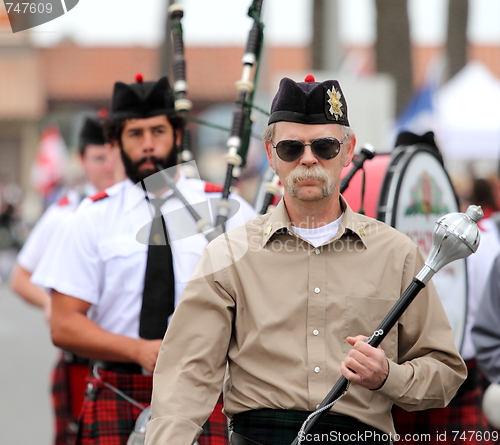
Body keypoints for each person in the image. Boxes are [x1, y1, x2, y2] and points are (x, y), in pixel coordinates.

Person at [146, 75, 467, 445]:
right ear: (270, 155)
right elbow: (186, 376)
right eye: (290, 148)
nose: (309, 158)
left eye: (326, 146)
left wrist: (387, 376)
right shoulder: (228, 255)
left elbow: (445, 372)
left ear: (349, 151)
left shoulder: (397, 254)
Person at [33, 74, 255, 445]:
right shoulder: (92, 217)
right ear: (116, 141)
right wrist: (138, 350)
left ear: (178, 135)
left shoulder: (226, 210)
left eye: (158, 131)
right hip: (118, 386)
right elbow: (63, 324)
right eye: (135, 134)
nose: (149, 145)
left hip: (205, 388)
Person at [10, 115, 120, 445]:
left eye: (113, 155)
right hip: (83, 353)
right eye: (99, 158)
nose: (108, 166)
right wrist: (52, 304)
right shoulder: (67, 212)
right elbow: (20, 277)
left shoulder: (147, 207)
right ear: (81, 160)